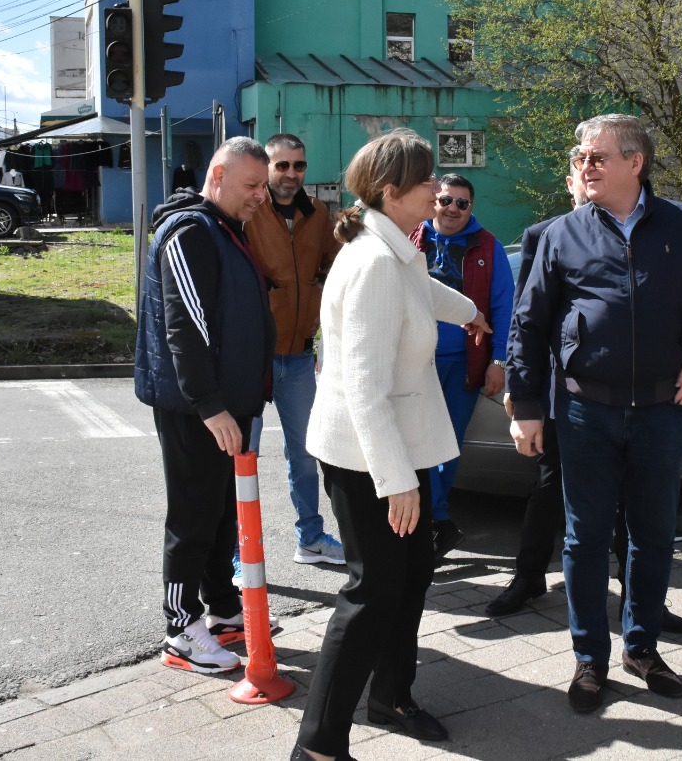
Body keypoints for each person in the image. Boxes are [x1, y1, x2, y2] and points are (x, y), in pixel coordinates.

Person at [506, 114, 682, 713]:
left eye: (598, 157)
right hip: (585, 411)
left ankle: (642, 647)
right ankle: (590, 658)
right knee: (584, 539)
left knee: (653, 535)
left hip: (664, 408)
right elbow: (528, 324)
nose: (585, 166)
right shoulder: (563, 233)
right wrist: (526, 406)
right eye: (581, 156)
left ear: (636, 162)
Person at [294, 129, 492, 761]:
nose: (438, 189)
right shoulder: (375, 262)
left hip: (393, 449)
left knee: (407, 581)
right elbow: (363, 387)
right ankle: (318, 746)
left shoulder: (396, 248)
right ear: (389, 191)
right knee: (372, 593)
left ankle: (391, 697)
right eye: (427, 179)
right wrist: (397, 481)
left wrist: (468, 311)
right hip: (367, 457)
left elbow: (422, 292)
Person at [488, 160, 682, 636]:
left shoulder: (650, 232)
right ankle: (528, 578)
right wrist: (523, 392)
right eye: (581, 171)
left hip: (626, 399)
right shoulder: (547, 234)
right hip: (562, 393)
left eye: (598, 167)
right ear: (570, 184)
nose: (590, 178)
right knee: (550, 490)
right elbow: (527, 319)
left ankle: (639, 603)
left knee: (629, 502)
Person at [134, 137, 276, 676]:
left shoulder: (223, 227)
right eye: (252, 185)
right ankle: (180, 631)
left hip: (225, 405)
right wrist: (210, 406)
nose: (261, 195)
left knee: (220, 513)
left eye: (264, 186)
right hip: (198, 409)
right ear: (217, 176)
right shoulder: (190, 230)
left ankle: (221, 610)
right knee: (193, 516)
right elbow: (185, 325)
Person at [244, 132, 346, 567]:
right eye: (282, 165)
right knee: (243, 458)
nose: (291, 174)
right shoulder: (250, 210)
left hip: (300, 356)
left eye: (298, 165)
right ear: (267, 167)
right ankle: (237, 551)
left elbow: (337, 262)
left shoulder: (317, 213)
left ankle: (311, 538)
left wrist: (320, 288)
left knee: (305, 454)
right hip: (253, 356)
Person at [410, 172, 513, 564]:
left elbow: (503, 308)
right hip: (413, 360)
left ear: (471, 208)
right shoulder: (412, 237)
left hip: (462, 363)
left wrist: (498, 361)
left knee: (446, 445)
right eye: (446, 200)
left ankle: (435, 520)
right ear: (433, 200)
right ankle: (423, 521)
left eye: (462, 203)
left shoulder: (488, 246)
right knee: (413, 442)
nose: (452, 208)